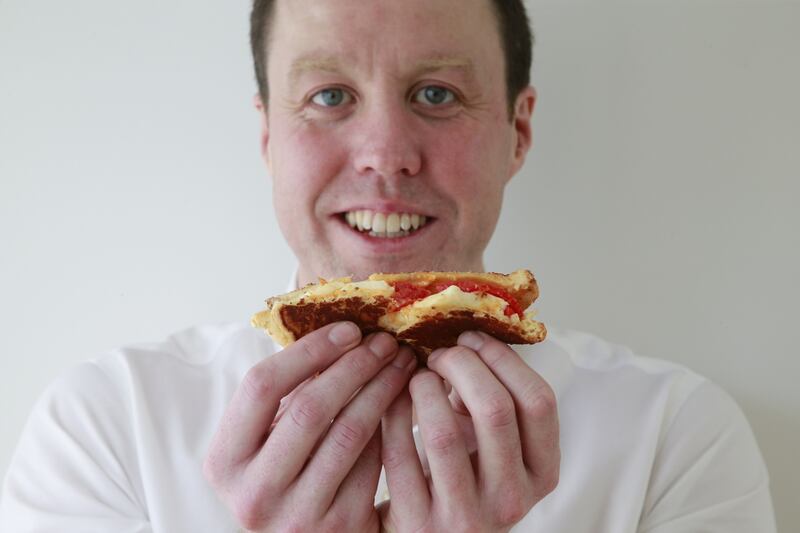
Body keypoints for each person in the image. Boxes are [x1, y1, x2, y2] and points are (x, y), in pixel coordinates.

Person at [0, 0, 776, 531]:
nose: (385, 156)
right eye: (330, 95)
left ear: (518, 130)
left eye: (436, 92)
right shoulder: (105, 427)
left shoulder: (677, 438)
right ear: (268, 135)